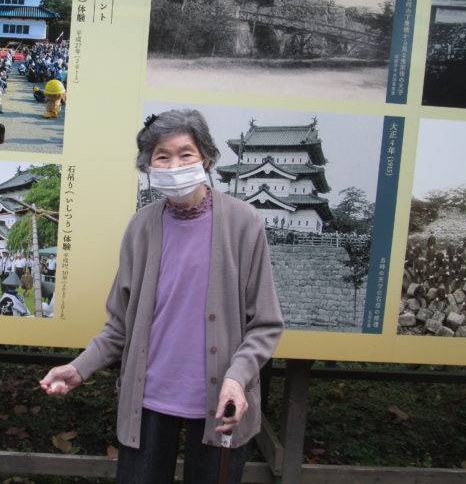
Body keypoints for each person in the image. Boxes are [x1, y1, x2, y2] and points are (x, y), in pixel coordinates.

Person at [39, 109, 284, 484]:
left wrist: (238, 378)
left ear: (206, 158)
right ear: (148, 165)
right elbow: (120, 325)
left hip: (222, 400)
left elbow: (265, 324)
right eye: (162, 157)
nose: (174, 166)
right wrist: (79, 368)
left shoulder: (243, 223)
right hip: (148, 398)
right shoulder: (141, 226)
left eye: (186, 154)